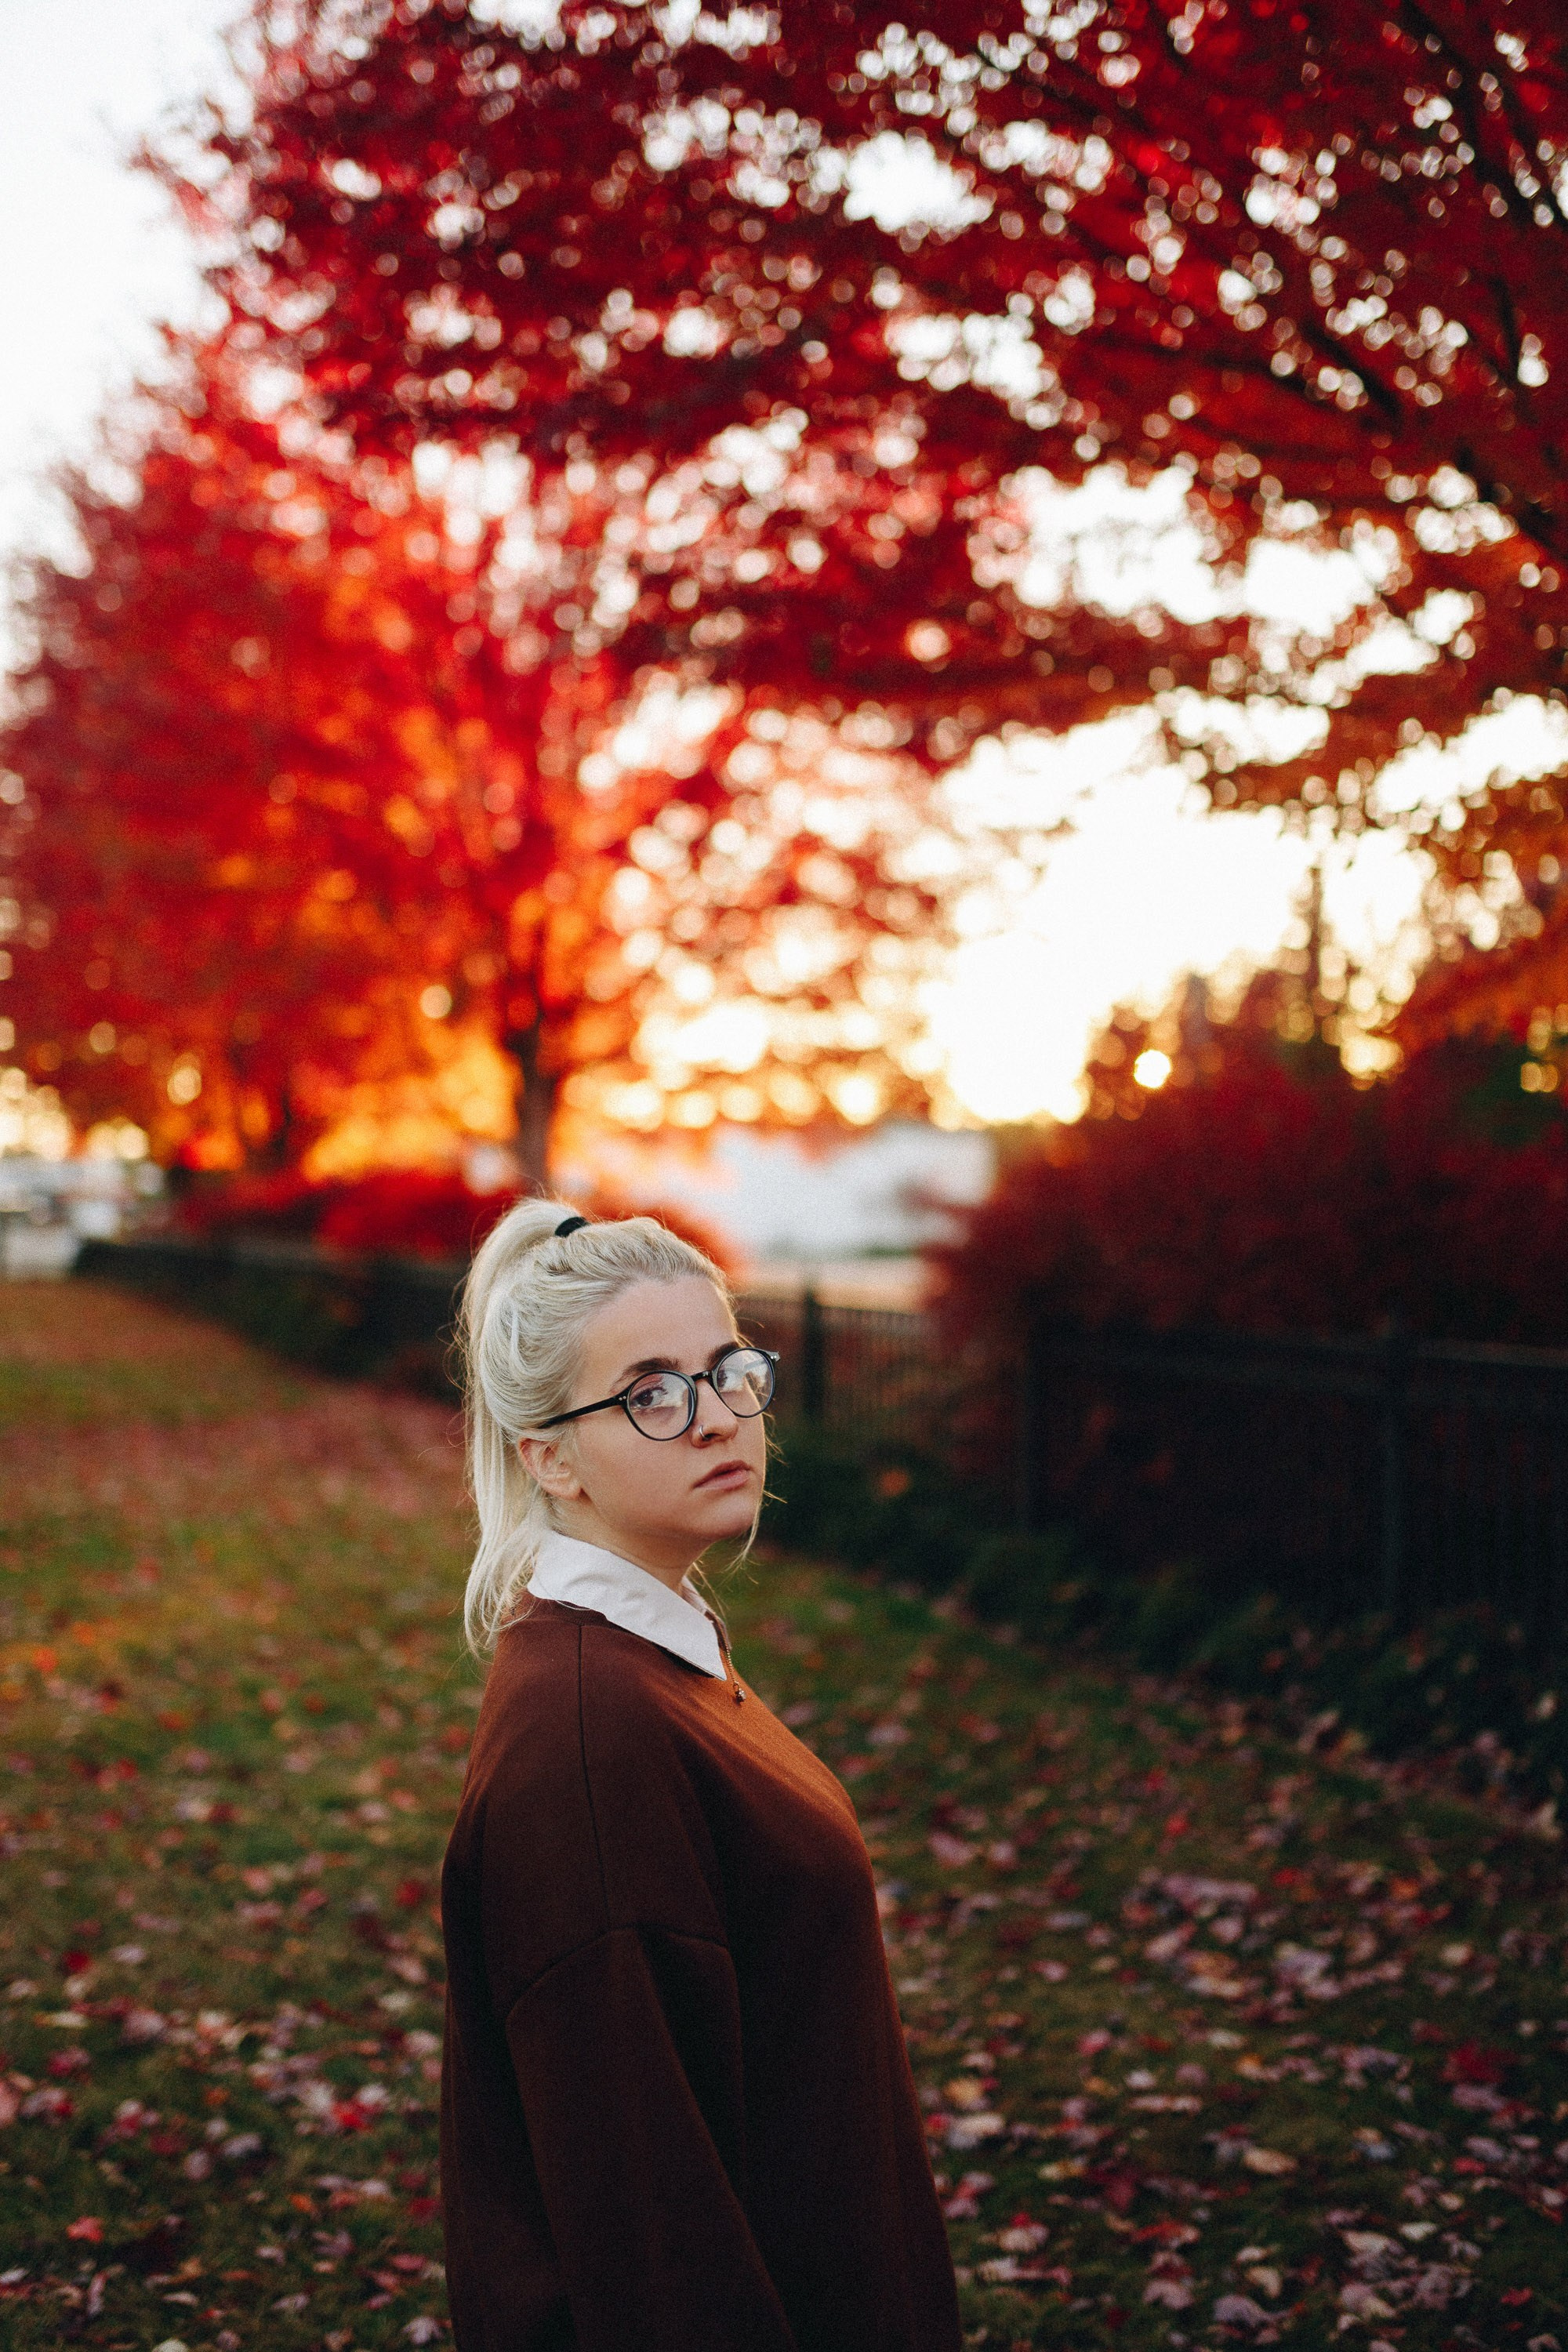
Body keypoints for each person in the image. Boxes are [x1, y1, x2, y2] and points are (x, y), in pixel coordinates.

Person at [440, 1198, 962, 2352]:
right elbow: (647, 2231)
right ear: (549, 1457)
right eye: (651, 1394)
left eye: (728, 1372)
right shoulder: (589, 1747)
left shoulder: (656, 1653)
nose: (717, 1417)